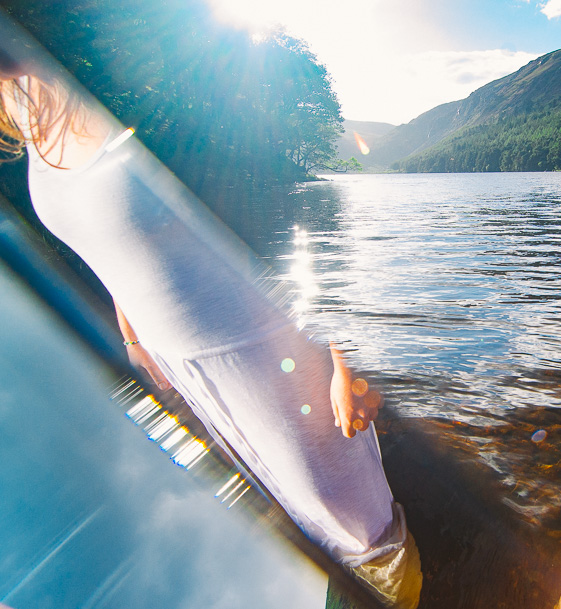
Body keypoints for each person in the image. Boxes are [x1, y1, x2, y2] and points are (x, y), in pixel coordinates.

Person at [0, 20, 421, 609]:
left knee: (356, 523)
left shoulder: (121, 73)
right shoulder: (19, 104)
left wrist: (342, 360)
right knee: (283, 517)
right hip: (183, 363)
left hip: (266, 343)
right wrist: (133, 338)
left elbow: (306, 223)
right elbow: (108, 238)